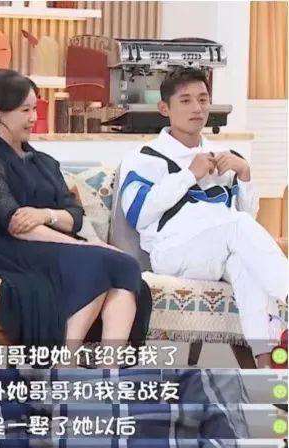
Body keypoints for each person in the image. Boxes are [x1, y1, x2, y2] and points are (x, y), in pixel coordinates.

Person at [0, 69, 152, 359]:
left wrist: (46, 215)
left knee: (126, 265)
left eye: (34, 109)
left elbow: (74, 216)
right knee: (100, 263)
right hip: (10, 250)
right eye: (25, 110)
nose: (33, 117)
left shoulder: (44, 162)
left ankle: (110, 368)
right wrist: (81, 245)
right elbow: (15, 223)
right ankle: (65, 361)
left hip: (53, 244)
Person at [118, 67, 287, 368]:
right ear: (164, 108)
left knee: (246, 267)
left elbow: (246, 219)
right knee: (238, 229)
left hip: (220, 248)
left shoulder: (223, 155)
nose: (197, 108)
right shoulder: (143, 157)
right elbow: (137, 214)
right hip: (173, 251)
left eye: (203, 99)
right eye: (185, 101)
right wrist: (189, 175)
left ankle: (267, 367)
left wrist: (245, 174)